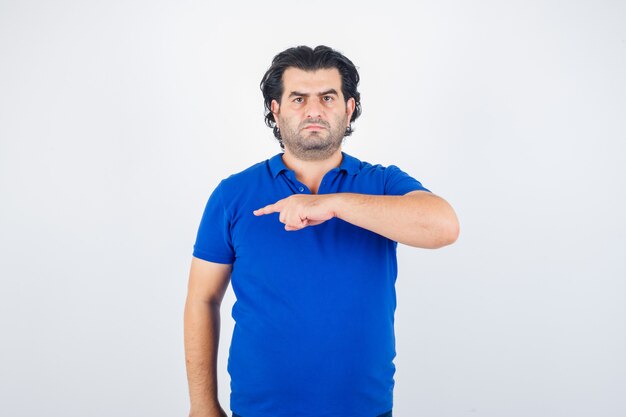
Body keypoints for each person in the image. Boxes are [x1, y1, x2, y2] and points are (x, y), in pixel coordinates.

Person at [184, 45, 459, 417]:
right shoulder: (232, 195)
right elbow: (202, 300)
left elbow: (444, 226)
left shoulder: (381, 183)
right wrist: (202, 406)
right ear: (275, 110)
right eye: (298, 98)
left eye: (327, 97)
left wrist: (331, 204)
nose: (313, 110)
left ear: (348, 109)